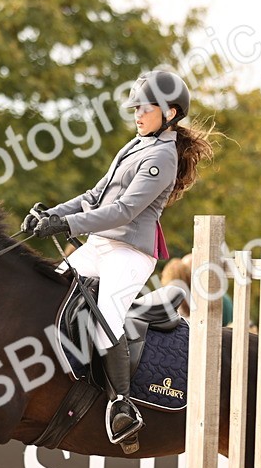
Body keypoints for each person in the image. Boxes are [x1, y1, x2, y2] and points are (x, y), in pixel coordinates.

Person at [24, 71, 214, 447]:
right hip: (99, 246)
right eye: (137, 108)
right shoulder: (135, 145)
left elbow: (125, 210)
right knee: (50, 293)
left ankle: (121, 405)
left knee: (107, 319)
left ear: (170, 112)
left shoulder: (163, 155)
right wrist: (51, 216)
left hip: (129, 252)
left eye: (145, 108)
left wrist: (66, 223)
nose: (138, 114)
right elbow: (95, 195)